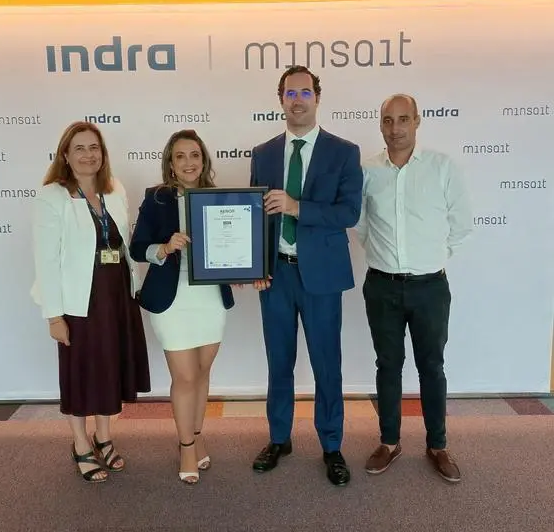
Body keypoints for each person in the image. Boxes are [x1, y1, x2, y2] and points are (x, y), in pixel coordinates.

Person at [249, 65, 363, 486]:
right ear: (280, 99)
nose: (297, 100)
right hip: (276, 276)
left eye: (304, 92)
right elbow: (256, 218)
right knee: (279, 362)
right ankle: (279, 439)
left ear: (317, 97)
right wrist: (257, 267)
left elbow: (348, 212)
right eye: (290, 93)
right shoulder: (263, 153)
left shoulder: (343, 152)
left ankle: (332, 445)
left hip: (322, 278)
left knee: (326, 365)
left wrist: (297, 207)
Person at [355, 93, 473, 483]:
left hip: (430, 288)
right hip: (382, 286)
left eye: (403, 119)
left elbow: (461, 224)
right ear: (380, 125)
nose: (396, 128)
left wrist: (431, 258)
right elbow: (360, 224)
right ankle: (389, 442)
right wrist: (383, 256)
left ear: (418, 121)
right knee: (388, 366)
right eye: (388, 120)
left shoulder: (442, 167)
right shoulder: (367, 171)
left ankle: (437, 445)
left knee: (432, 366)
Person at [31, 121, 151, 483]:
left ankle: (104, 436)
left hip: (116, 295)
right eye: (80, 148)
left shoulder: (115, 189)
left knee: (108, 368)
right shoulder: (52, 196)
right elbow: (46, 260)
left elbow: (124, 244)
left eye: (94, 147)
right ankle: (81, 443)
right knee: (81, 371)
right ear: (65, 155)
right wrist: (54, 316)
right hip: (78, 301)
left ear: (103, 154)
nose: (88, 155)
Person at [129, 129, 234, 485]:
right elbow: (137, 247)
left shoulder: (220, 198)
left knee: (202, 373)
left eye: (194, 155)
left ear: (203, 160)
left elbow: (233, 245)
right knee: (185, 376)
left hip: (210, 299)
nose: (189, 162)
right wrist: (164, 247)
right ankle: (186, 445)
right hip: (172, 299)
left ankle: (197, 434)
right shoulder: (156, 199)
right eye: (180, 156)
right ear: (170, 164)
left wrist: (239, 268)